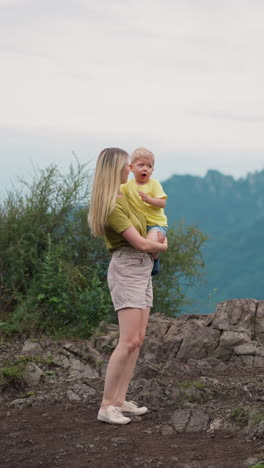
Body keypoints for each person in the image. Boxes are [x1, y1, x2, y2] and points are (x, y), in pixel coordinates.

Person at [88, 147, 168, 425]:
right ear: (115, 170)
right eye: (126, 165)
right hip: (127, 268)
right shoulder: (112, 205)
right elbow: (142, 243)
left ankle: (120, 400)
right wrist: (160, 245)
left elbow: (150, 224)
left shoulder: (127, 195)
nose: (129, 169)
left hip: (141, 268)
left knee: (138, 339)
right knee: (128, 340)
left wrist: (155, 242)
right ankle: (107, 404)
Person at [121, 147, 168, 276]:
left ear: (152, 170)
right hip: (139, 224)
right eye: (141, 165)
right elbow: (117, 193)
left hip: (156, 224)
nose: (145, 168)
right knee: (136, 244)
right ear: (131, 167)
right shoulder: (127, 186)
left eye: (149, 166)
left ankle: (155, 260)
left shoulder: (154, 184)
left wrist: (149, 199)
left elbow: (163, 203)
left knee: (150, 243)